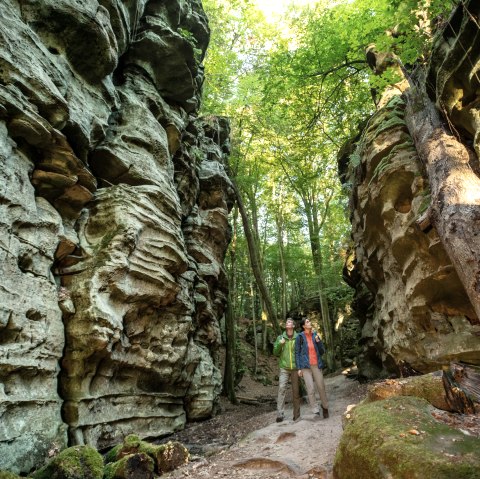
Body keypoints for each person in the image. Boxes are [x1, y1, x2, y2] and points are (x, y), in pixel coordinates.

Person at [295, 317, 329, 418]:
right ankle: (315, 408)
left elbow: (322, 351)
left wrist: (318, 341)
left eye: (309, 321)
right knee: (310, 389)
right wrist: (299, 368)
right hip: (305, 366)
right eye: (307, 322)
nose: (310, 323)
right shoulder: (300, 337)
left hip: (316, 365)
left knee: (321, 387)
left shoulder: (315, 335)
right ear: (303, 326)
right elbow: (297, 353)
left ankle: (325, 406)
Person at [273, 318, 301, 423]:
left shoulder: (298, 337)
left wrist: (300, 367)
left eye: (290, 322)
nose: (288, 323)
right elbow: (275, 352)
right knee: (281, 389)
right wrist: (280, 344)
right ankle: (280, 414)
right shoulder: (280, 337)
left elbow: (301, 352)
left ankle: (296, 415)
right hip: (284, 367)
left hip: (295, 368)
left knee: (296, 391)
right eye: (286, 322)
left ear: (293, 326)